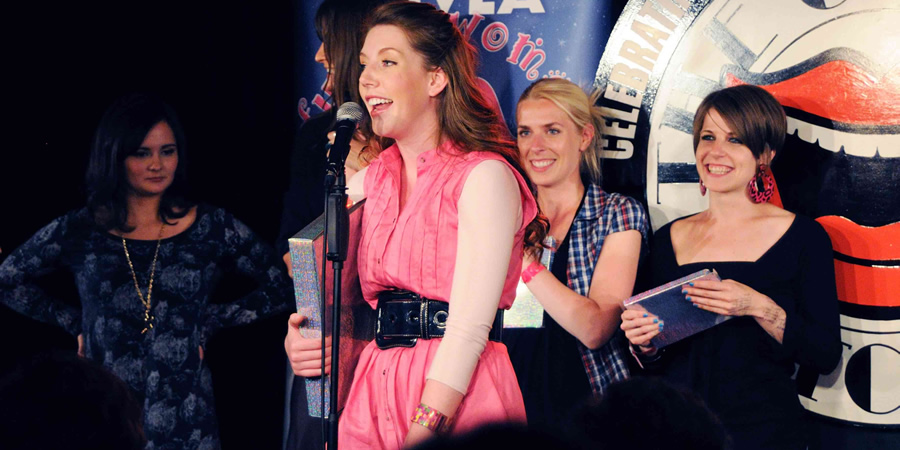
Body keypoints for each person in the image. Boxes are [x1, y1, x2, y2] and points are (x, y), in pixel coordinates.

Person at [286, 2, 546, 448]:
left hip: (456, 397)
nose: (367, 78)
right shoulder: (368, 181)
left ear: (435, 78)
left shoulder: (484, 176)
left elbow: (467, 329)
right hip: (371, 391)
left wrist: (423, 433)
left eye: (388, 62)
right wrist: (307, 338)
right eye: (366, 63)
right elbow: (340, 297)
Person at [0, 93, 293, 449]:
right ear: (115, 156)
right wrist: (76, 323)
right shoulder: (80, 230)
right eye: (142, 153)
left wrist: (211, 319)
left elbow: (281, 286)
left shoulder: (212, 227)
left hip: (187, 415)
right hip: (104, 415)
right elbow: (8, 279)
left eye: (167, 151)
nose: (157, 164)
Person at [620, 84, 841, 450]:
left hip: (764, 433)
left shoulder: (803, 237)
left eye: (735, 139)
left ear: (765, 155)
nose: (715, 151)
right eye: (707, 136)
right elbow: (650, 363)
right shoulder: (665, 239)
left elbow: (824, 354)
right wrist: (644, 344)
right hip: (676, 434)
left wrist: (758, 307)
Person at [506, 78, 647, 428]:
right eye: (525, 132)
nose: (535, 146)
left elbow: (595, 328)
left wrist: (522, 259)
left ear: (584, 137)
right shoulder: (505, 213)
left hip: (588, 417)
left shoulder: (615, 213)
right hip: (506, 413)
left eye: (552, 131)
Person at [277, 0, 392, 268]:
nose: (319, 55)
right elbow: (292, 246)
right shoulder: (316, 134)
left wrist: (370, 167)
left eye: (329, 41)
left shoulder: (408, 132)